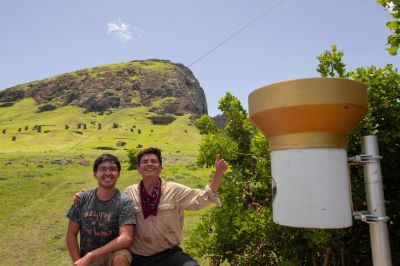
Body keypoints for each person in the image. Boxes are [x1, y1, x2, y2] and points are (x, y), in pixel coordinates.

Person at [125, 147, 228, 266]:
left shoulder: (173, 189)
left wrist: (218, 173)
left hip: (170, 254)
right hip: (140, 257)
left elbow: (201, 198)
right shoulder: (130, 192)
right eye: (144, 162)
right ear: (138, 169)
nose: (149, 164)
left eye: (154, 161)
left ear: (161, 168)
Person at [66, 154, 136, 266]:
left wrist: (91, 255)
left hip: (111, 255)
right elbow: (71, 234)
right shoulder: (82, 198)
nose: (108, 173)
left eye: (112, 169)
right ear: (95, 174)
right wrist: (77, 261)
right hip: (87, 258)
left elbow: (126, 238)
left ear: (118, 174)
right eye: (103, 169)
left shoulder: (125, 201)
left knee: (121, 257)